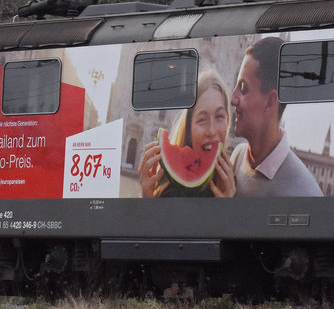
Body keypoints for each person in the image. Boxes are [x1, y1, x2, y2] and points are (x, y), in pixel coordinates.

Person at [230, 37, 323, 197]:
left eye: (243, 88)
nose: (233, 99)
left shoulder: (305, 194)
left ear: (270, 102)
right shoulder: (238, 156)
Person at [138, 68, 236, 197]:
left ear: (228, 122)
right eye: (202, 119)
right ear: (189, 128)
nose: (212, 131)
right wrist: (147, 200)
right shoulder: (169, 193)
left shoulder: (235, 185)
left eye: (219, 116)